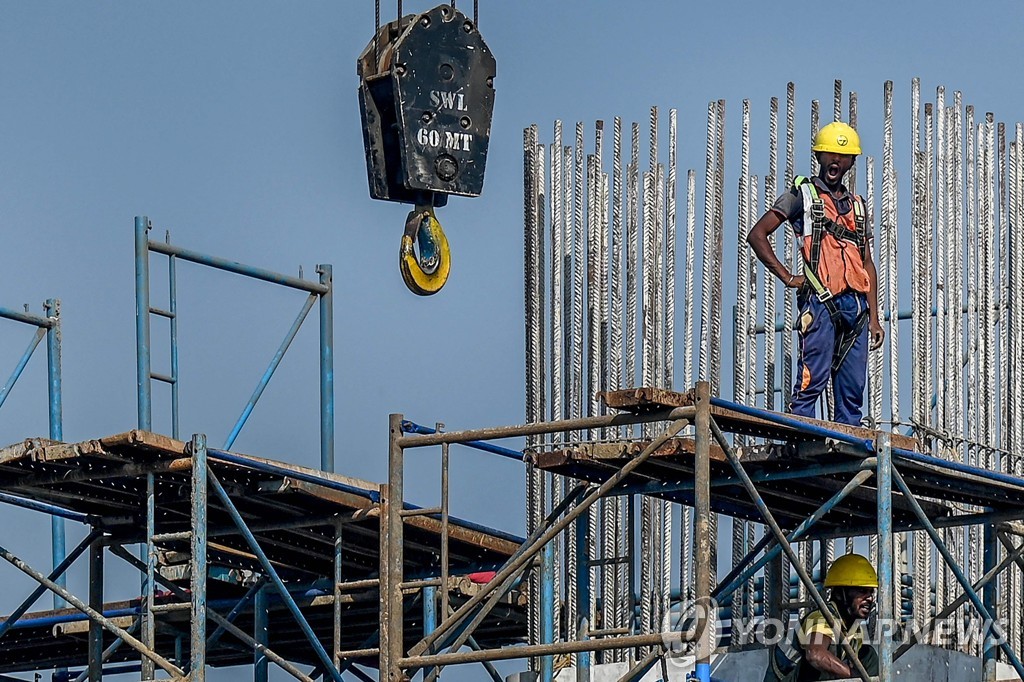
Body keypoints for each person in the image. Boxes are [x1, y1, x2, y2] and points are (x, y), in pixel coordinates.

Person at [747, 122, 884, 426]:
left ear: (852, 162)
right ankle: (802, 440)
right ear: (819, 157)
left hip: (857, 308)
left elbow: (867, 263)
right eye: (829, 154)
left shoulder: (857, 207)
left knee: (852, 390)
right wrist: (786, 276)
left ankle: (847, 442)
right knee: (812, 380)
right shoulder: (802, 196)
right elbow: (758, 234)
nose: (835, 160)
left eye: (842, 155)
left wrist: (874, 316)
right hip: (822, 302)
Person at [764, 553, 880, 681]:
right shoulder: (821, 618)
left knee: (868, 655)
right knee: (822, 661)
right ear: (841, 594)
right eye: (862, 591)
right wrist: (858, 678)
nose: (869, 598)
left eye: (871, 592)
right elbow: (815, 655)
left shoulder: (854, 629)